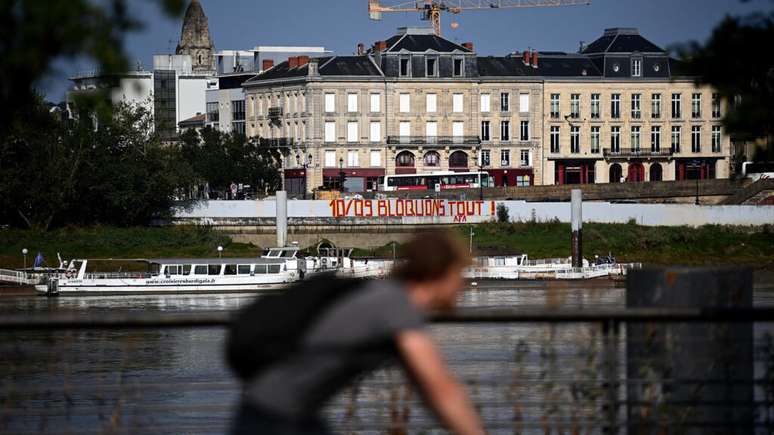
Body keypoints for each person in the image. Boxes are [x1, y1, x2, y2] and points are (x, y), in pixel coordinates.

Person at [231, 232, 485, 435]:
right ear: (441, 272)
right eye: (459, 273)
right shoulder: (396, 307)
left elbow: (428, 387)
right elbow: (442, 389)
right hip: (275, 419)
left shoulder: (387, 297)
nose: (462, 284)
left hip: (282, 413)